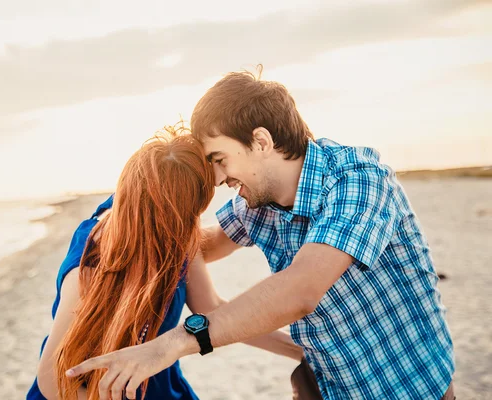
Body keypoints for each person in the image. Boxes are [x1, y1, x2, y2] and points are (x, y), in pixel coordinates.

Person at [65, 68, 456, 400]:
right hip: (327, 386)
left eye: (220, 159)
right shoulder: (257, 201)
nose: (219, 178)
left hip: (407, 387)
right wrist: (134, 220)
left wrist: (171, 344)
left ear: (261, 142)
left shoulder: (357, 183)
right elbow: (202, 245)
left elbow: (300, 291)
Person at [27, 125, 302, 400]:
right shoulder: (92, 264)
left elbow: (210, 309)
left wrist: (301, 352)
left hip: (161, 387)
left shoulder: (176, 230)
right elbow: (52, 377)